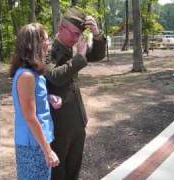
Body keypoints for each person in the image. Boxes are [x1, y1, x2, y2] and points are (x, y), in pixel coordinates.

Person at [44, 7, 107, 180]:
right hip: (58, 125)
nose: (76, 38)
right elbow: (55, 77)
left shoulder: (72, 46)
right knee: (58, 173)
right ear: (60, 29)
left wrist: (96, 33)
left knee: (73, 170)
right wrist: (79, 56)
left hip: (77, 121)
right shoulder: (48, 49)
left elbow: (97, 55)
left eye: (79, 34)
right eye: (74, 33)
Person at [10, 23, 62, 180]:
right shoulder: (27, 76)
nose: (49, 43)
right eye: (46, 39)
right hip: (33, 145)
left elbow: (29, 100)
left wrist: (47, 97)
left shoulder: (32, 73)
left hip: (36, 141)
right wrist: (48, 151)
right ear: (35, 44)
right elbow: (30, 117)